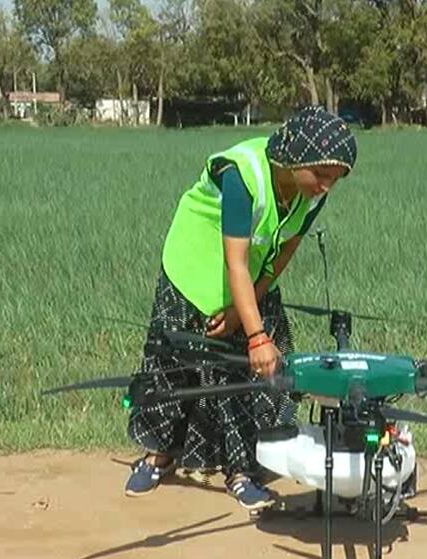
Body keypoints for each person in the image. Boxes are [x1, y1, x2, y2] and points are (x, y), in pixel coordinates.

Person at [124, 106, 357, 510]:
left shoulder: (308, 196)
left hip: (251, 277)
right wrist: (255, 335)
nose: (326, 187)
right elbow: (234, 260)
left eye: (334, 180)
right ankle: (158, 455)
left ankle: (241, 468)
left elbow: (284, 251)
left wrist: (253, 312)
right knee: (176, 365)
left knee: (255, 374)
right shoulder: (241, 178)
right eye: (321, 176)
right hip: (196, 272)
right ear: (297, 158)